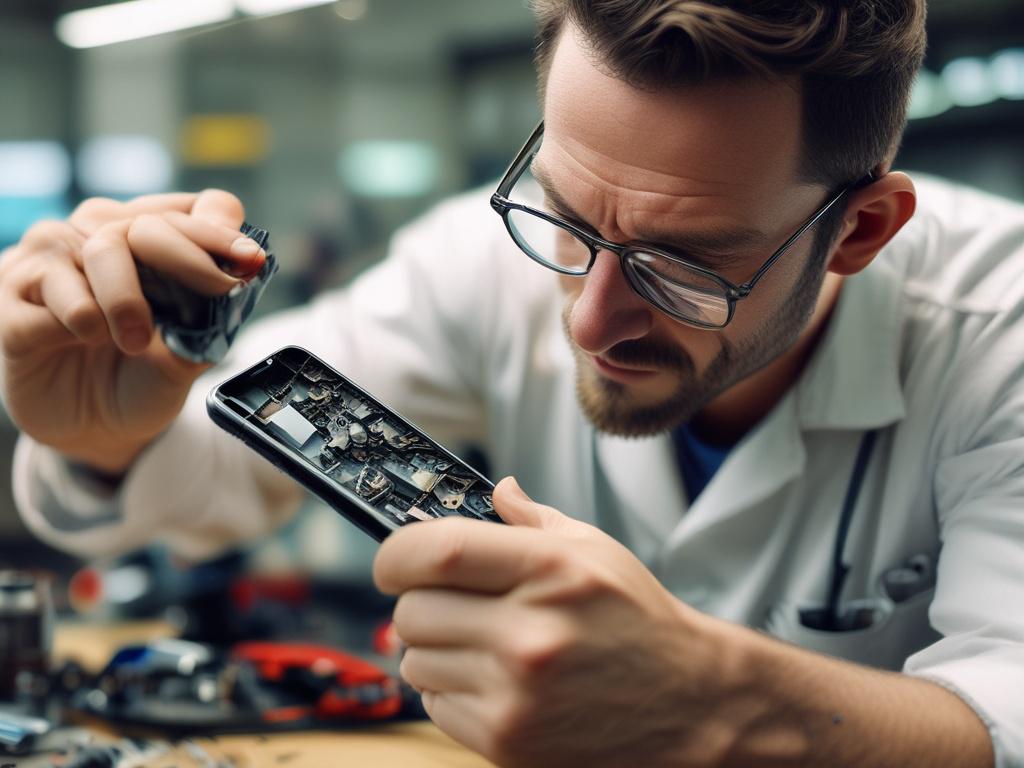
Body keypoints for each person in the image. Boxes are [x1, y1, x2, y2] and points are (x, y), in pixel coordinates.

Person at [3, 1, 1023, 765]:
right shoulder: (475, 261)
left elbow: (1006, 705)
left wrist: (713, 697)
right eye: (566, 216)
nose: (588, 316)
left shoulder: (999, 323)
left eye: (686, 265)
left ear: (859, 230)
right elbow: (214, 485)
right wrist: (105, 433)